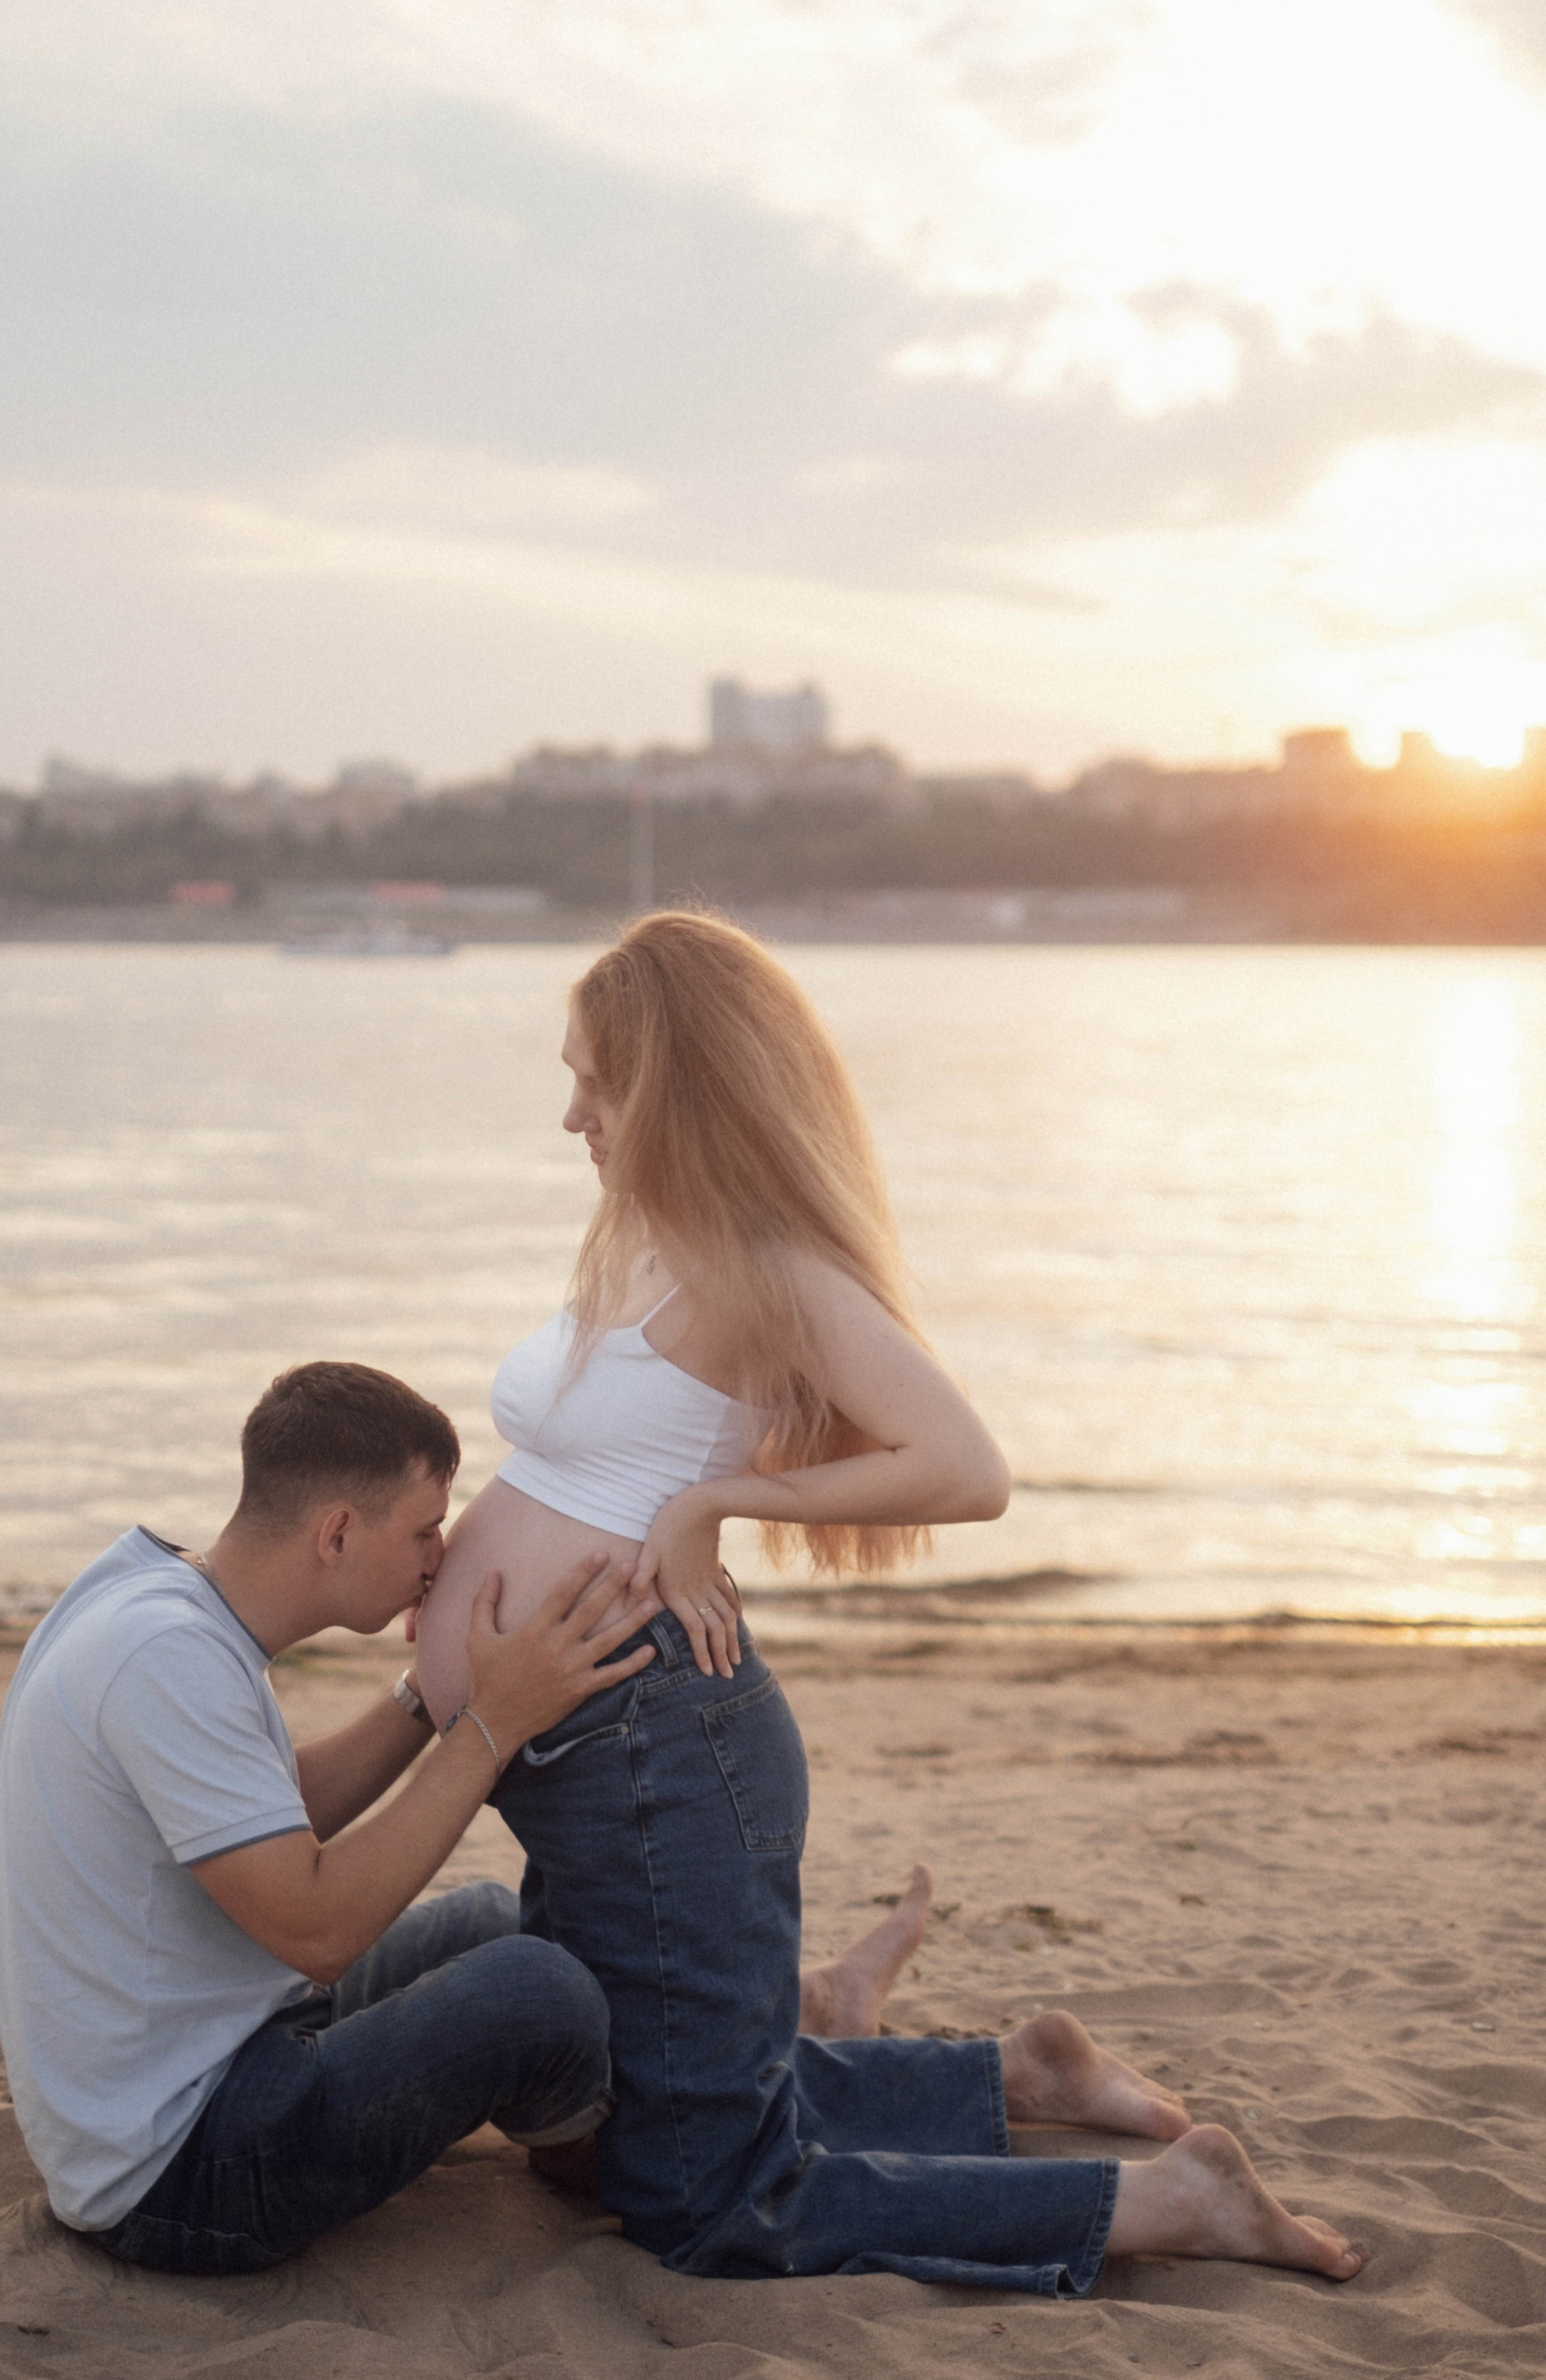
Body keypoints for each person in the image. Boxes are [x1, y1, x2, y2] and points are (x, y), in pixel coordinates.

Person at [413, 912, 1367, 2294]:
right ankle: (1018, 2077)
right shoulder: (639, 1237)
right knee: (601, 2135)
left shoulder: (769, 1270)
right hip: (579, 1760)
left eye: (597, 1085)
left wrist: (715, 1505)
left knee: (710, 2203)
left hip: (663, 1758)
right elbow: (587, 1461)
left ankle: (1168, 2201)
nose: (572, 1116)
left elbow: (967, 1466)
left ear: (680, 1085)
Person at [0, 1358, 659, 2274]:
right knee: (539, 1992)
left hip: (227, 2039)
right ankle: (629, 2172)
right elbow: (318, 1931)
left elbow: (271, 1809)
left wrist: (432, 1694)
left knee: (493, 1921)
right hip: (177, 2165)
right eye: (424, 1531)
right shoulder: (164, 1658)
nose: (438, 1558)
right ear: (337, 1532)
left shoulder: (152, 1596)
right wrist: (494, 1726)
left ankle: (624, 2096)